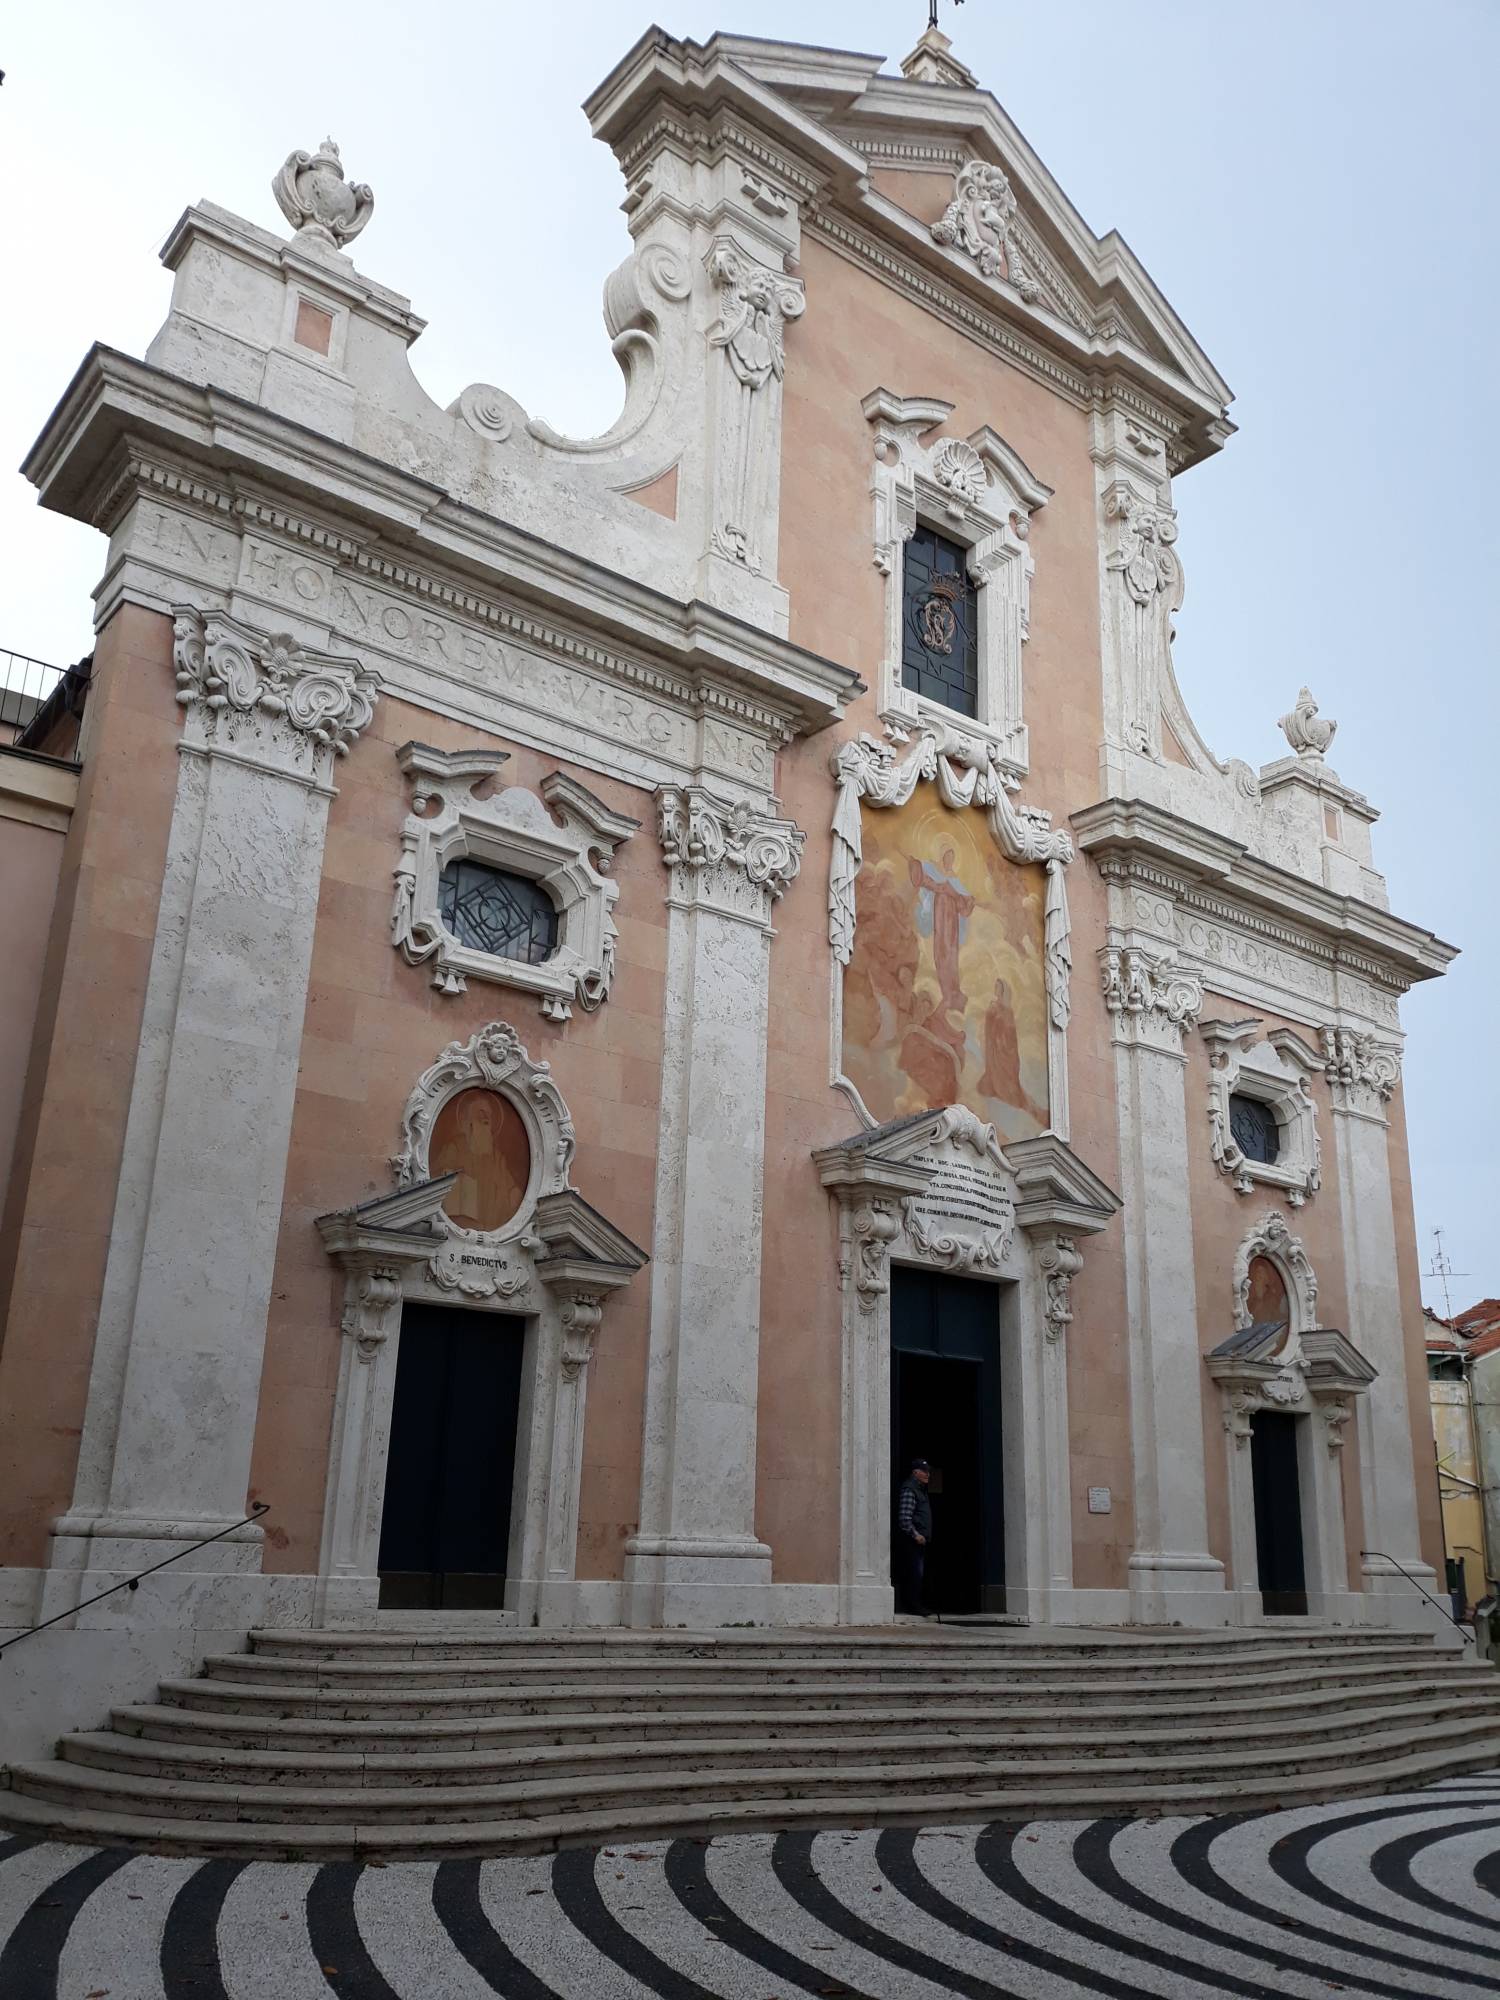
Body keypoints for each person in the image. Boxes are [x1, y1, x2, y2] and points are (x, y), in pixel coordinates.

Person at [895, 1457, 933, 1616]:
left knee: (917, 1574)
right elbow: (904, 1517)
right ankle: (912, 1605)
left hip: (920, 1540)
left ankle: (915, 1604)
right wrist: (916, 1535)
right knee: (913, 1574)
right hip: (912, 1540)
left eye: (928, 1471)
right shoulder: (910, 1489)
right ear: (915, 1472)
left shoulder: (920, 1489)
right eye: (924, 1471)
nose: (928, 1474)